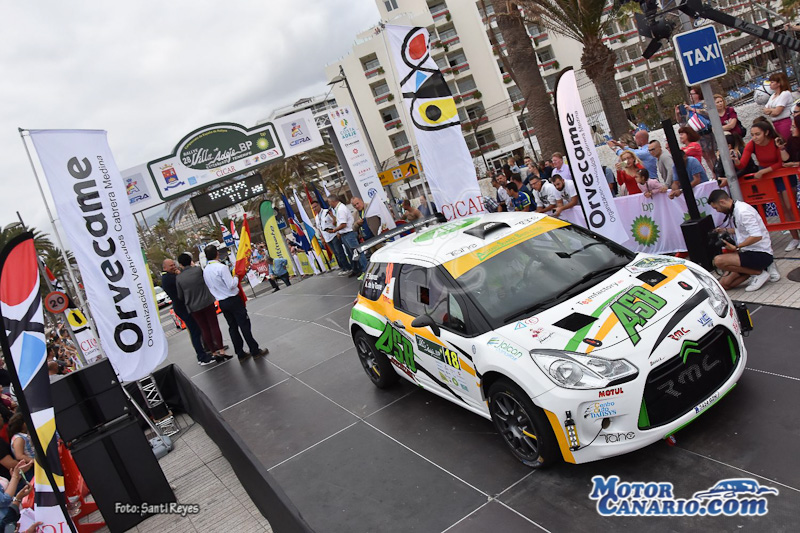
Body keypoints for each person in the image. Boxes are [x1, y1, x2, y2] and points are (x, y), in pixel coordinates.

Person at [735, 120, 800, 251]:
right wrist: (735, 160)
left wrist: (764, 171)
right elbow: (742, 164)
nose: (754, 137)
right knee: (782, 208)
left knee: (791, 206)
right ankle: (795, 238)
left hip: (780, 174)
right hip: (768, 177)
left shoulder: (776, 141)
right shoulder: (752, 144)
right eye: (752, 135)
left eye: (757, 134)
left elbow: (780, 162)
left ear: (766, 132)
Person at [202, 245, 268, 361]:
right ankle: (254, 350)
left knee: (233, 327)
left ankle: (240, 353)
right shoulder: (221, 267)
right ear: (217, 253)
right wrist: (236, 277)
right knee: (244, 325)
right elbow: (231, 285)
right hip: (232, 299)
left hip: (222, 301)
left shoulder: (206, 270)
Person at [708, 189, 779, 291]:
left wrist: (737, 247)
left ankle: (759, 273)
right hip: (747, 252)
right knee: (724, 285)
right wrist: (724, 230)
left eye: (716, 208)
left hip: (760, 253)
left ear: (722, 202)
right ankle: (758, 270)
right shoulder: (735, 209)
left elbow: (756, 236)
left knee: (718, 261)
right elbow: (742, 231)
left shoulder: (743, 212)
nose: (717, 211)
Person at [176, 253, 230, 363]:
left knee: (204, 329)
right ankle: (221, 350)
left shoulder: (179, 278)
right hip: (207, 302)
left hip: (193, 306)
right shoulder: (198, 270)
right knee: (214, 326)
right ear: (190, 260)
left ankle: (213, 353)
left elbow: (180, 296)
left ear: (180, 264)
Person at [161, 258, 216, 366]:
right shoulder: (169, 278)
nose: (174, 267)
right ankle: (202, 356)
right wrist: (179, 274)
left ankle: (204, 351)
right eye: (171, 266)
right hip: (182, 307)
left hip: (182, 307)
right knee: (195, 331)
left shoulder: (170, 277)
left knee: (197, 330)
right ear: (165, 268)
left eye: (174, 264)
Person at [328, 194, 364, 278]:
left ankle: (364, 270)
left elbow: (343, 224)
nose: (329, 204)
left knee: (357, 253)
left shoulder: (341, 209)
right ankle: (356, 270)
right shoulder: (338, 209)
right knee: (351, 254)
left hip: (349, 234)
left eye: (329, 202)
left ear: (333, 201)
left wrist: (334, 230)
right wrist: (338, 232)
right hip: (344, 234)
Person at [312, 199, 350, 276]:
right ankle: (343, 268)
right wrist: (322, 238)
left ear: (319, 205)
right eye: (313, 208)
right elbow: (319, 228)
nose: (314, 209)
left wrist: (333, 217)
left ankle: (348, 268)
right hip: (327, 238)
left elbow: (336, 221)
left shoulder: (327, 212)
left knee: (340, 252)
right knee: (336, 253)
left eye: (315, 206)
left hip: (334, 234)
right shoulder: (316, 218)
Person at [763, 72, 793, 141]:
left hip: (785, 122)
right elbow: (765, 110)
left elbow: (777, 112)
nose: (770, 84)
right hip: (775, 123)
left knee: (788, 141)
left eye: (772, 82)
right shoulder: (773, 96)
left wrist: (770, 110)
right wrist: (772, 110)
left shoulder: (785, 94)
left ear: (779, 83)